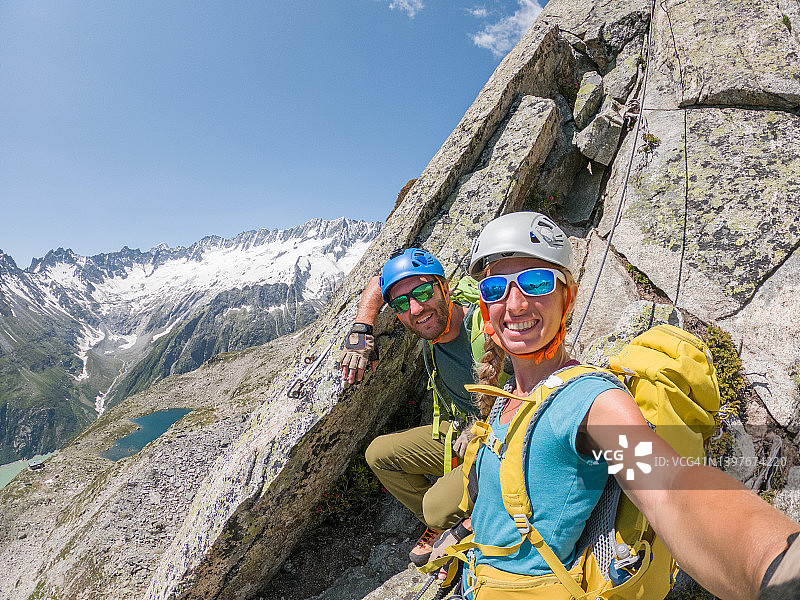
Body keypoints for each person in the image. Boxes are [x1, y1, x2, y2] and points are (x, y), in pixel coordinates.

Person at [458, 211, 800, 600]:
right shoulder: (509, 398)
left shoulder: (590, 400)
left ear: (567, 297)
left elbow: (669, 489)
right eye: (495, 289)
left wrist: (779, 568)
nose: (515, 304)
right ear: (484, 305)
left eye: (536, 283)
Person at [339, 248, 492, 566]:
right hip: (456, 431)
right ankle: (449, 519)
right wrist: (362, 327)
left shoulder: (484, 325)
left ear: (444, 287)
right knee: (379, 454)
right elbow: (379, 284)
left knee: (435, 508)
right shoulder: (432, 323)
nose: (416, 307)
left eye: (423, 292)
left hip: (498, 442)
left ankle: (468, 519)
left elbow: (533, 390)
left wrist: (481, 432)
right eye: (401, 304)